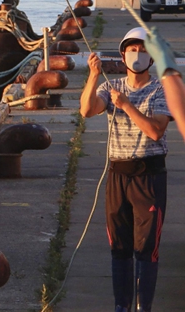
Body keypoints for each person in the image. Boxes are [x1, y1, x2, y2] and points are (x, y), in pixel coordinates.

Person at [80, 29, 170, 312]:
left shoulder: (160, 90)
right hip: (118, 174)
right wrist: (93, 75)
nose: (137, 55)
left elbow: (156, 130)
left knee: (145, 247)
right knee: (119, 246)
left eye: (143, 50)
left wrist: (128, 106)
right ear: (122, 55)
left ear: (152, 58)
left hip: (149, 176)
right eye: (131, 49)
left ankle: (145, 306)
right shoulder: (111, 86)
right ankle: (122, 305)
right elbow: (87, 110)